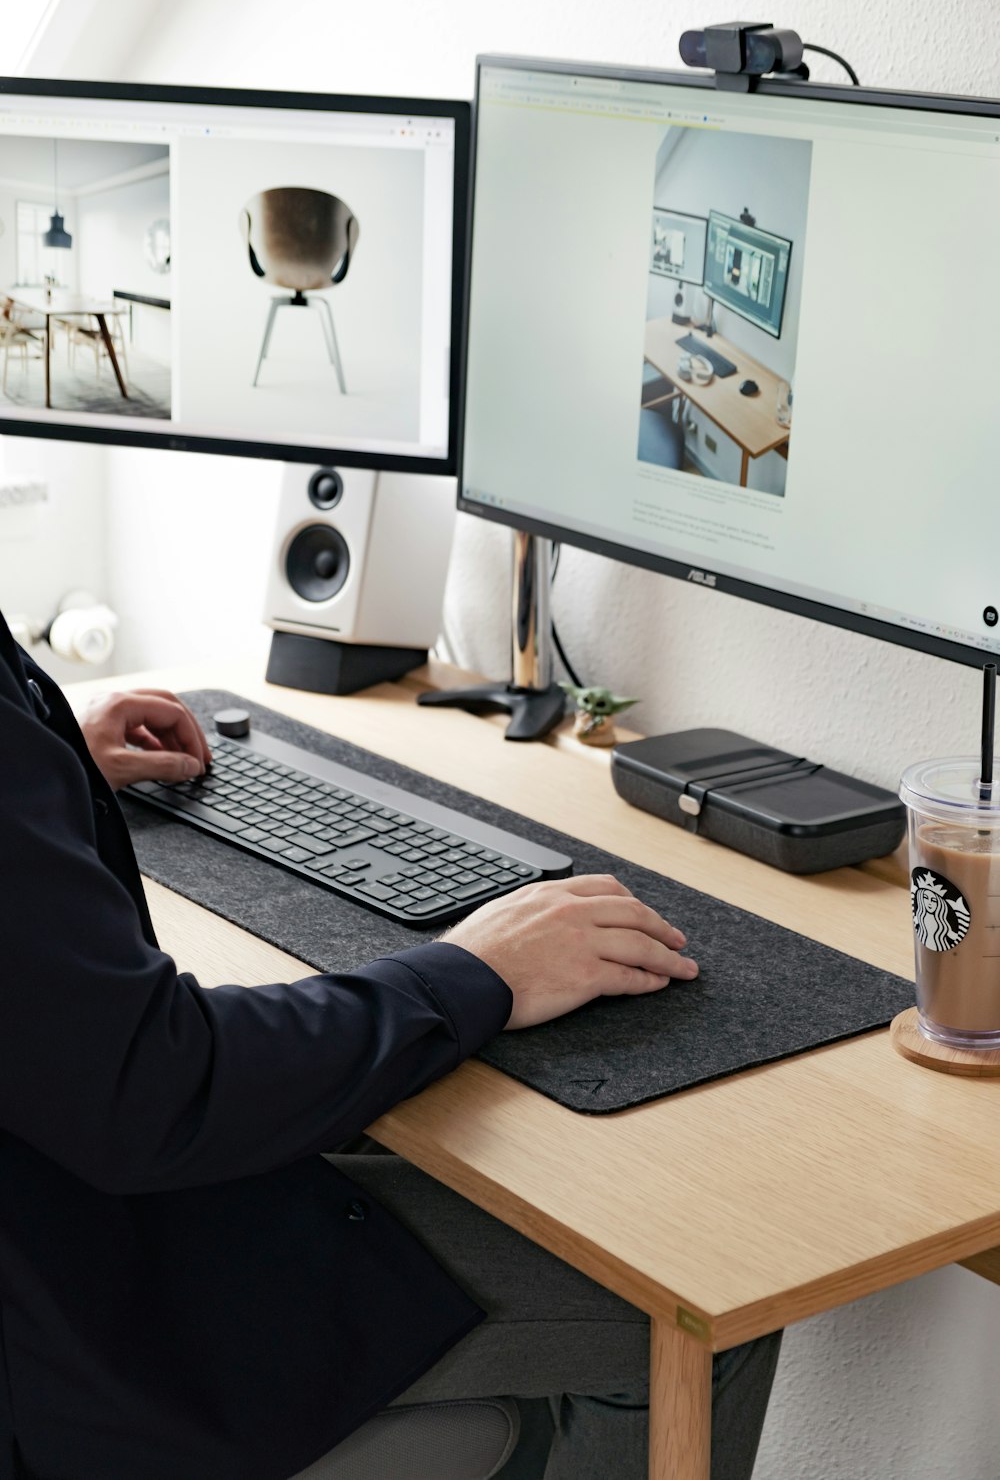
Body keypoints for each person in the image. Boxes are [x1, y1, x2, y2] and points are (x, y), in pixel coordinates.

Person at [0, 608, 781, 1480]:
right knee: (704, 1306)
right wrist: (479, 970)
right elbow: (152, 1087)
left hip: (52, 1203)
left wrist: (47, 753)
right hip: (74, 1317)